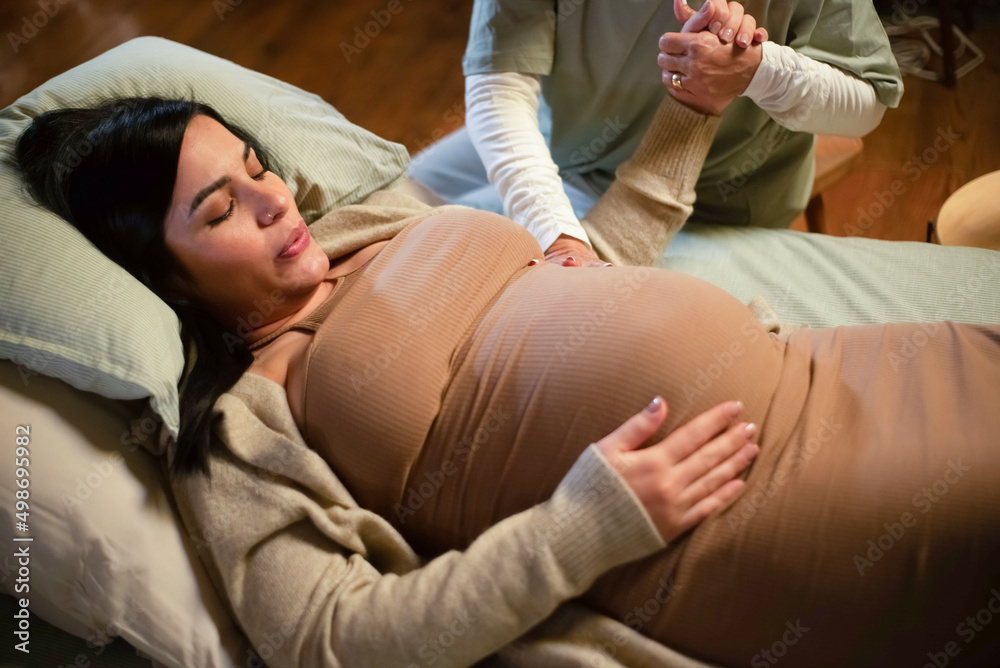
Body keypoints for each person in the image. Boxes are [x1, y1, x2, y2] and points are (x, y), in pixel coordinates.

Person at [15, 86, 1000, 668]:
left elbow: (592, 270)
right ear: (161, 272)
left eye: (256, 165)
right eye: (223, 207)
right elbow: (326, 634)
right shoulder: (241, 427)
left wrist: (687, 114)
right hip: (757, 511)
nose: (276, 202)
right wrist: (583, 527)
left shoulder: (371, 231)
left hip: (831, 372)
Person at [408, 0, 904, 266]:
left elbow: (867, 104)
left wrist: (758, 71)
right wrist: (556, 232)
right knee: (397, 202)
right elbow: (499, 88)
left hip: (718, 191)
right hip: (560, 134)